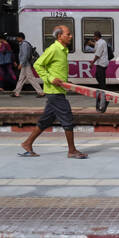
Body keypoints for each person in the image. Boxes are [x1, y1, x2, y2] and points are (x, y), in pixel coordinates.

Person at [18, 24, 87, 159]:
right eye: (68, 34)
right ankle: (72, 150)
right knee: (67, 118)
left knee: (46, 120)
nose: (71, 36)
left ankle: (27, 143)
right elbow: (38, 64)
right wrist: (49, 78)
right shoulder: (54, 49)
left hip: (59, 90)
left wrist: (66, 82)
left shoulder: (62, 50)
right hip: (54, 92)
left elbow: (57, 70)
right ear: (60, 36)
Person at [13, 33, 43, 97]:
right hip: (25, 64)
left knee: (31, 78)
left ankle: (40, 92)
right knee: (21, 79)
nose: (17, 39)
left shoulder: (24, 44)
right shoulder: (23, 44)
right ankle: (16, 92)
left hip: (26, 64)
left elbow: (25, 55)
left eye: (18, 38)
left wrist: (21, 64)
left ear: (21, 38)